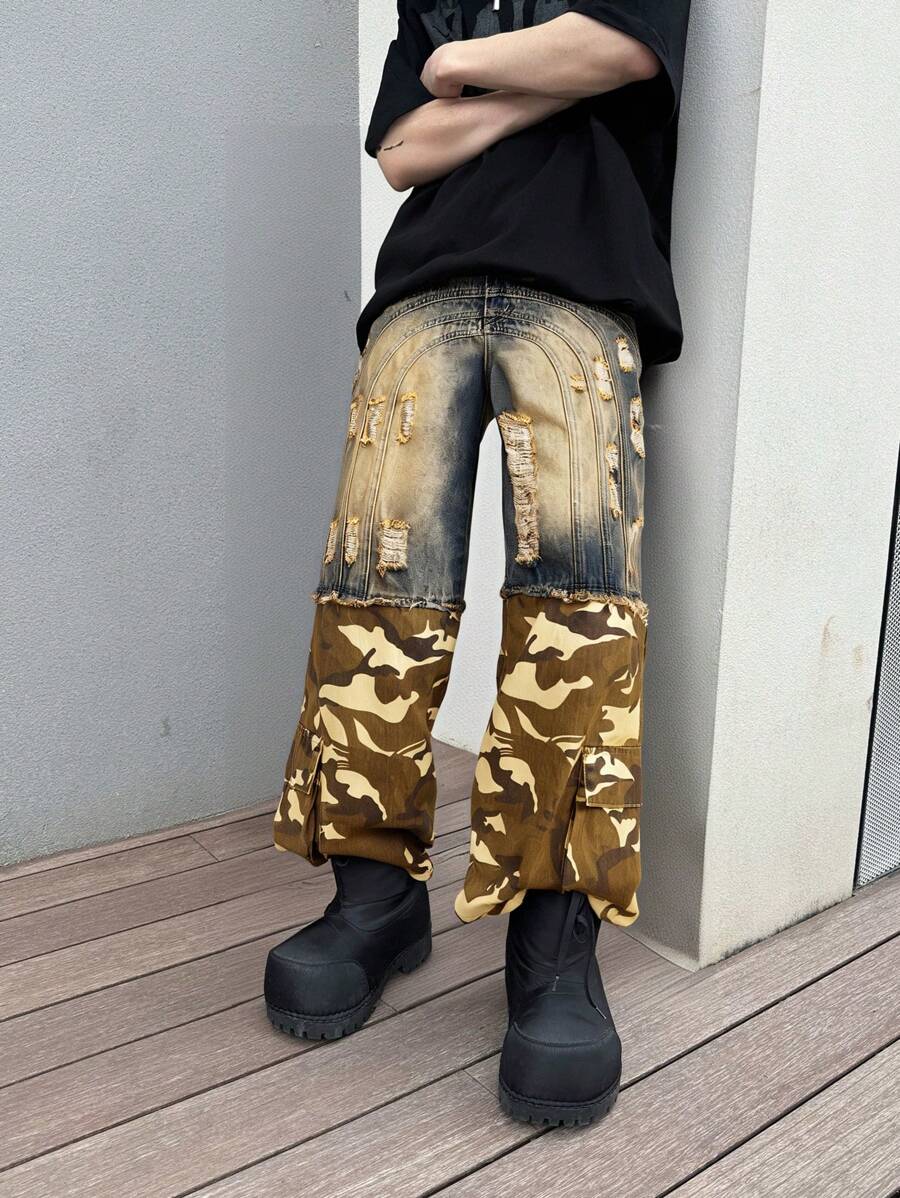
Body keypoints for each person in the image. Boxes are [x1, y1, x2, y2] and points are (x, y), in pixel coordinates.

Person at [264, 0, 691, 1127]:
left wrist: (462, 72)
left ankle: (553, 945)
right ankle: (374, 897)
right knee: (373, 595)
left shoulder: (447, 33)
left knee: (580, 613)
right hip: (422, 293)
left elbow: (625, 47)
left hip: (585, 291)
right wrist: (547, 83)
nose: (450, 53)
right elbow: (404, 150)